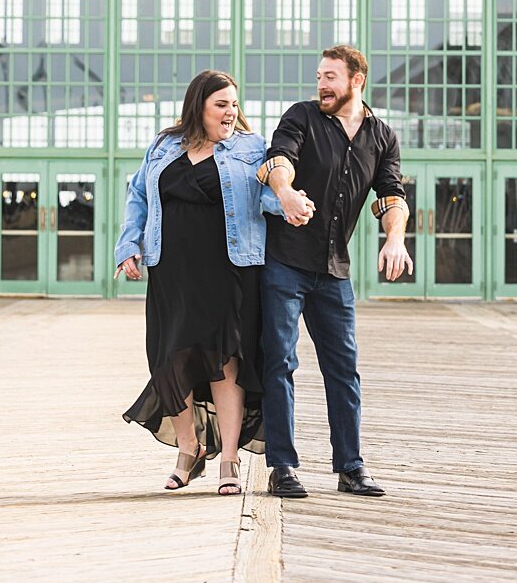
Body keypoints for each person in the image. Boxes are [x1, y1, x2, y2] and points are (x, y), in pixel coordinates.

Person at [115, 70, 280, 495]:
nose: (231, 112)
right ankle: (189, 448)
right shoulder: (163, 145)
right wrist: (128, 245)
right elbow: (138, 197)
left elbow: (268, 193)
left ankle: (228, 458)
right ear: (199, 106)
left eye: (234, 105)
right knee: (173, 360)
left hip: (228, 269)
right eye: (221, 104)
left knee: (226, 362)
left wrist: (290, 200)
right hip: (171, 270)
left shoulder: (251, 147)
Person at [256, 45, 409, 499]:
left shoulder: (382, 137)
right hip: (284, 262)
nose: (321, 84)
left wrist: (395, 237)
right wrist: (284, 193)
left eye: (330, 77)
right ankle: (281, 466)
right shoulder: (301, 117)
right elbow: (277, 160)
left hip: (334, 270)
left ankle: (351, 467)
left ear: (356, 80)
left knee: (344, 369)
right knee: (281, 362)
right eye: (319, 76)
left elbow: (391, 196)